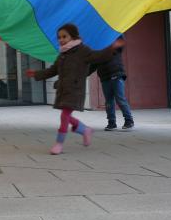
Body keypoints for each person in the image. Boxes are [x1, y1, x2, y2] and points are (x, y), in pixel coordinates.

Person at [26, 24, 123, 155]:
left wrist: (112, 48)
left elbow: (98, 56)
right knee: (67, 115)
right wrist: (37, 74)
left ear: (73, 36)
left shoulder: (82, 51)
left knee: (64, 115)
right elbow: (52, 70)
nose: (61, 39)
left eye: (64, 36)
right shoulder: (62, 55)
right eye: (59, 37)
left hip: (75, 89)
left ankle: (59, 144)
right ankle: (85, 130)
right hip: (63, 89)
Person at [89, 36, 134, 131]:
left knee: (120, 99)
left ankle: (129, 121)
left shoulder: (114, 47)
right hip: (105, 78)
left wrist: (116, 34)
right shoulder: (97, 53)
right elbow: (92, 67)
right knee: (108, 102)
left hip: (116, 75)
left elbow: (120, 39)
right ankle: (111, 122)